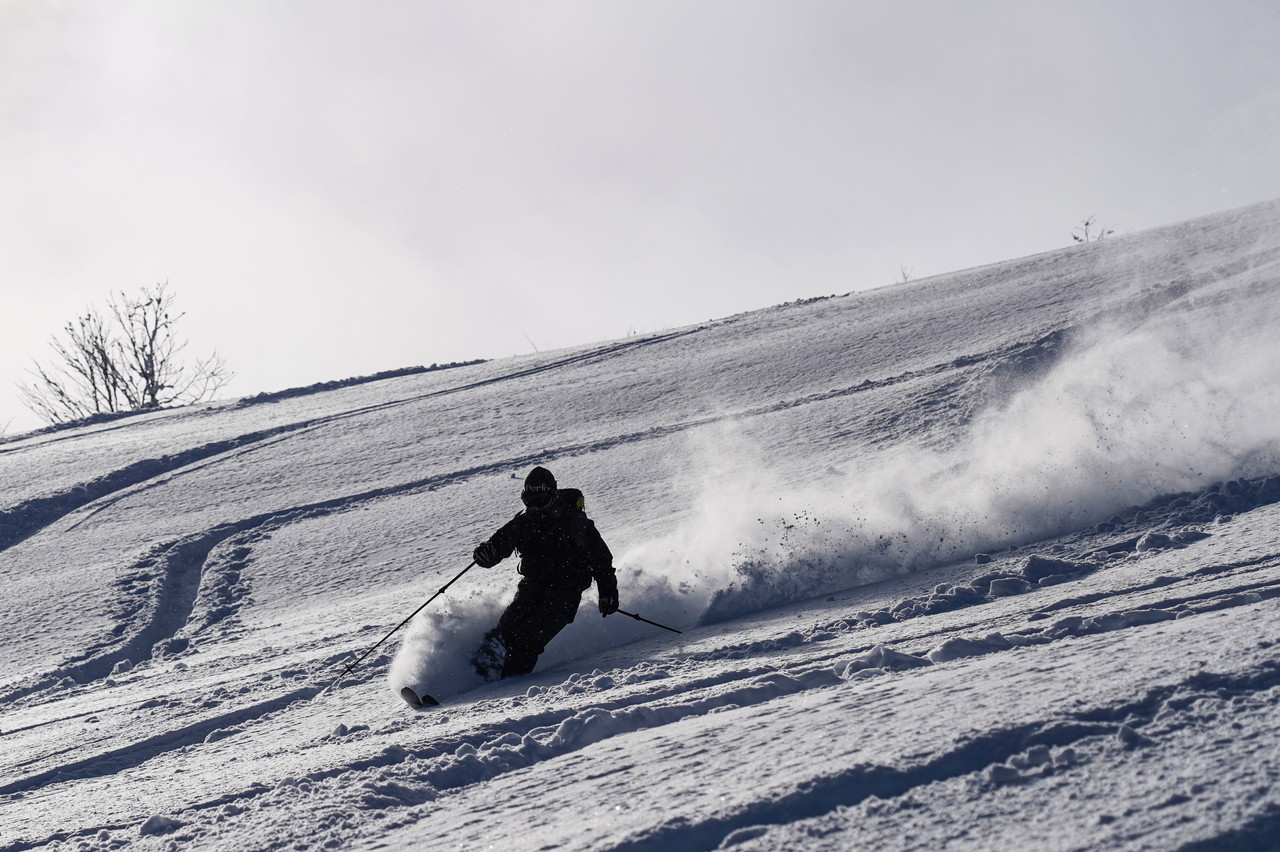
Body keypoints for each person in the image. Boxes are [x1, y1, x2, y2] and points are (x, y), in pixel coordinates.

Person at [470, 466, 619, 680]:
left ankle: (507, 683)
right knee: (505, 629)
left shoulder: (575, 523)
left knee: (528, 638)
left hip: (564, 594)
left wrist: (608, 590)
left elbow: (601, 559)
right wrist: (485, 553)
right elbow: (497, 546)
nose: (535, 507)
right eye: (529, 501)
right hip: (532, 587)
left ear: (552, 495)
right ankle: (473, 677)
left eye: (540, 500)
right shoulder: (523, 523)